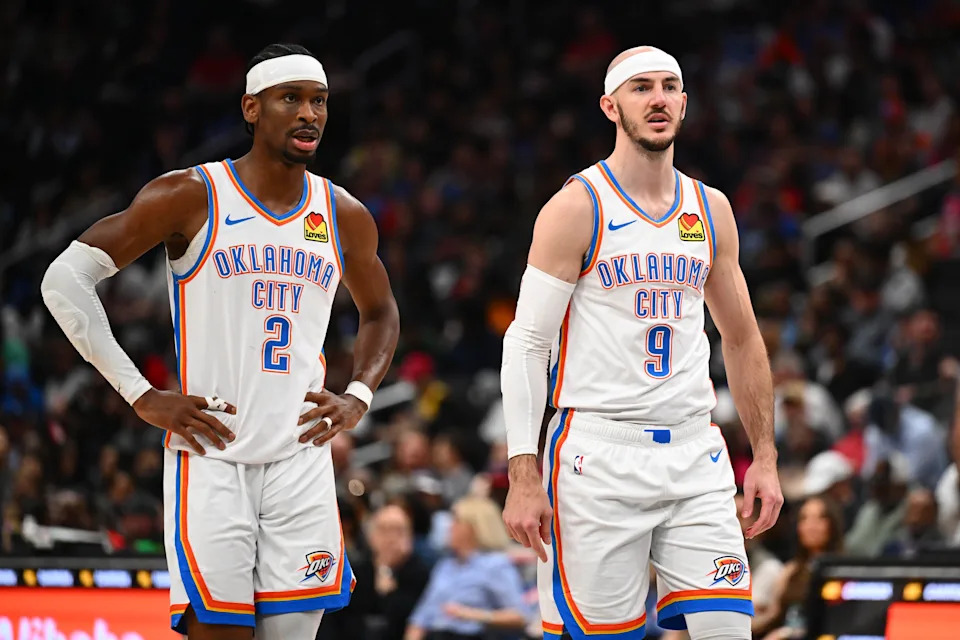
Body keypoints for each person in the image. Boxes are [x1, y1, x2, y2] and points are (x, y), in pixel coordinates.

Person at [40, 43, 400, 640]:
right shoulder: (191, 194)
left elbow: (382, 310)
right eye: (292, 99)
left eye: (320, 101)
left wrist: (358, 394)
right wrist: (138, 393)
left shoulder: (343, 213)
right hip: (212, 457)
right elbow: (64, 280)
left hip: (300, 460)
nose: (309, 114)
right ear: (251, 109)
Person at [500, 46, 783, 640]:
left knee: (728, 631)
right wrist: (523, 475)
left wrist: (764, 455)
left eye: (669, 86)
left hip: (695, 453)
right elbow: (526, 343)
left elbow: (742, 337)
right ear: (610, 105)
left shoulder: (711, 209)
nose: (657, 98)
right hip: (597, 455)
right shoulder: (576, 207)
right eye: (640, 87)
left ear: (684, 102)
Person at [405, 496, 528, 640]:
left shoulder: (494, 565)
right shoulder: (444, 566)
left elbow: (520, 616)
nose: (450, 527)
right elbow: (420, 619)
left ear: (475, 526)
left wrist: (471, 614)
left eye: (456, 521)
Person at [752, 495, 844, 639]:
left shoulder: (843, 570)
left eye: (820, 518)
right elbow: (773, 615)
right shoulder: (790, 571)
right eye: (804, 519)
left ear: (833, 524)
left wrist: (786, 633)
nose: (810, 525)